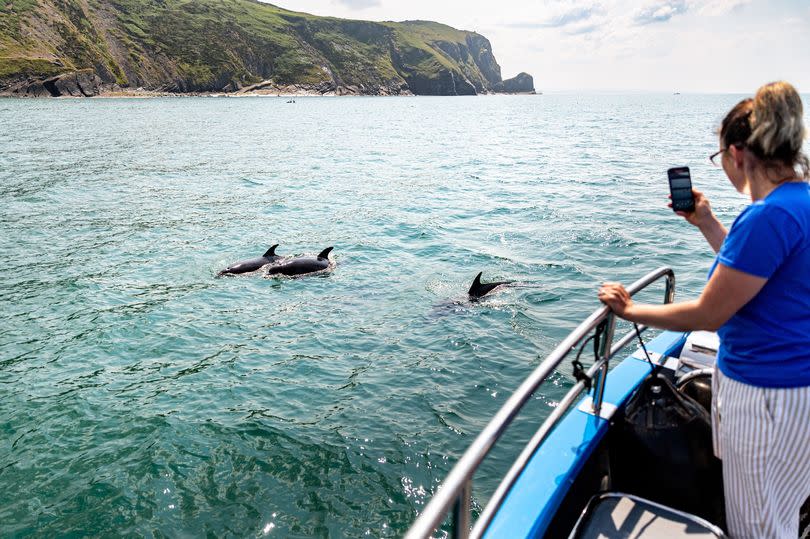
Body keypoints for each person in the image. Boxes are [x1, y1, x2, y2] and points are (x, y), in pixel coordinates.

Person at [598, 81, 810, 538]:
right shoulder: (801, 202)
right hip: (798, 394)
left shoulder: (767, 217)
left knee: (755, 526)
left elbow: (710, 313)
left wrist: (632, 310)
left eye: (720, 159)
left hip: (763, 396)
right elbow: (758, 280)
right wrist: (709, 223)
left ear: (738, 153)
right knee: (784, 510)